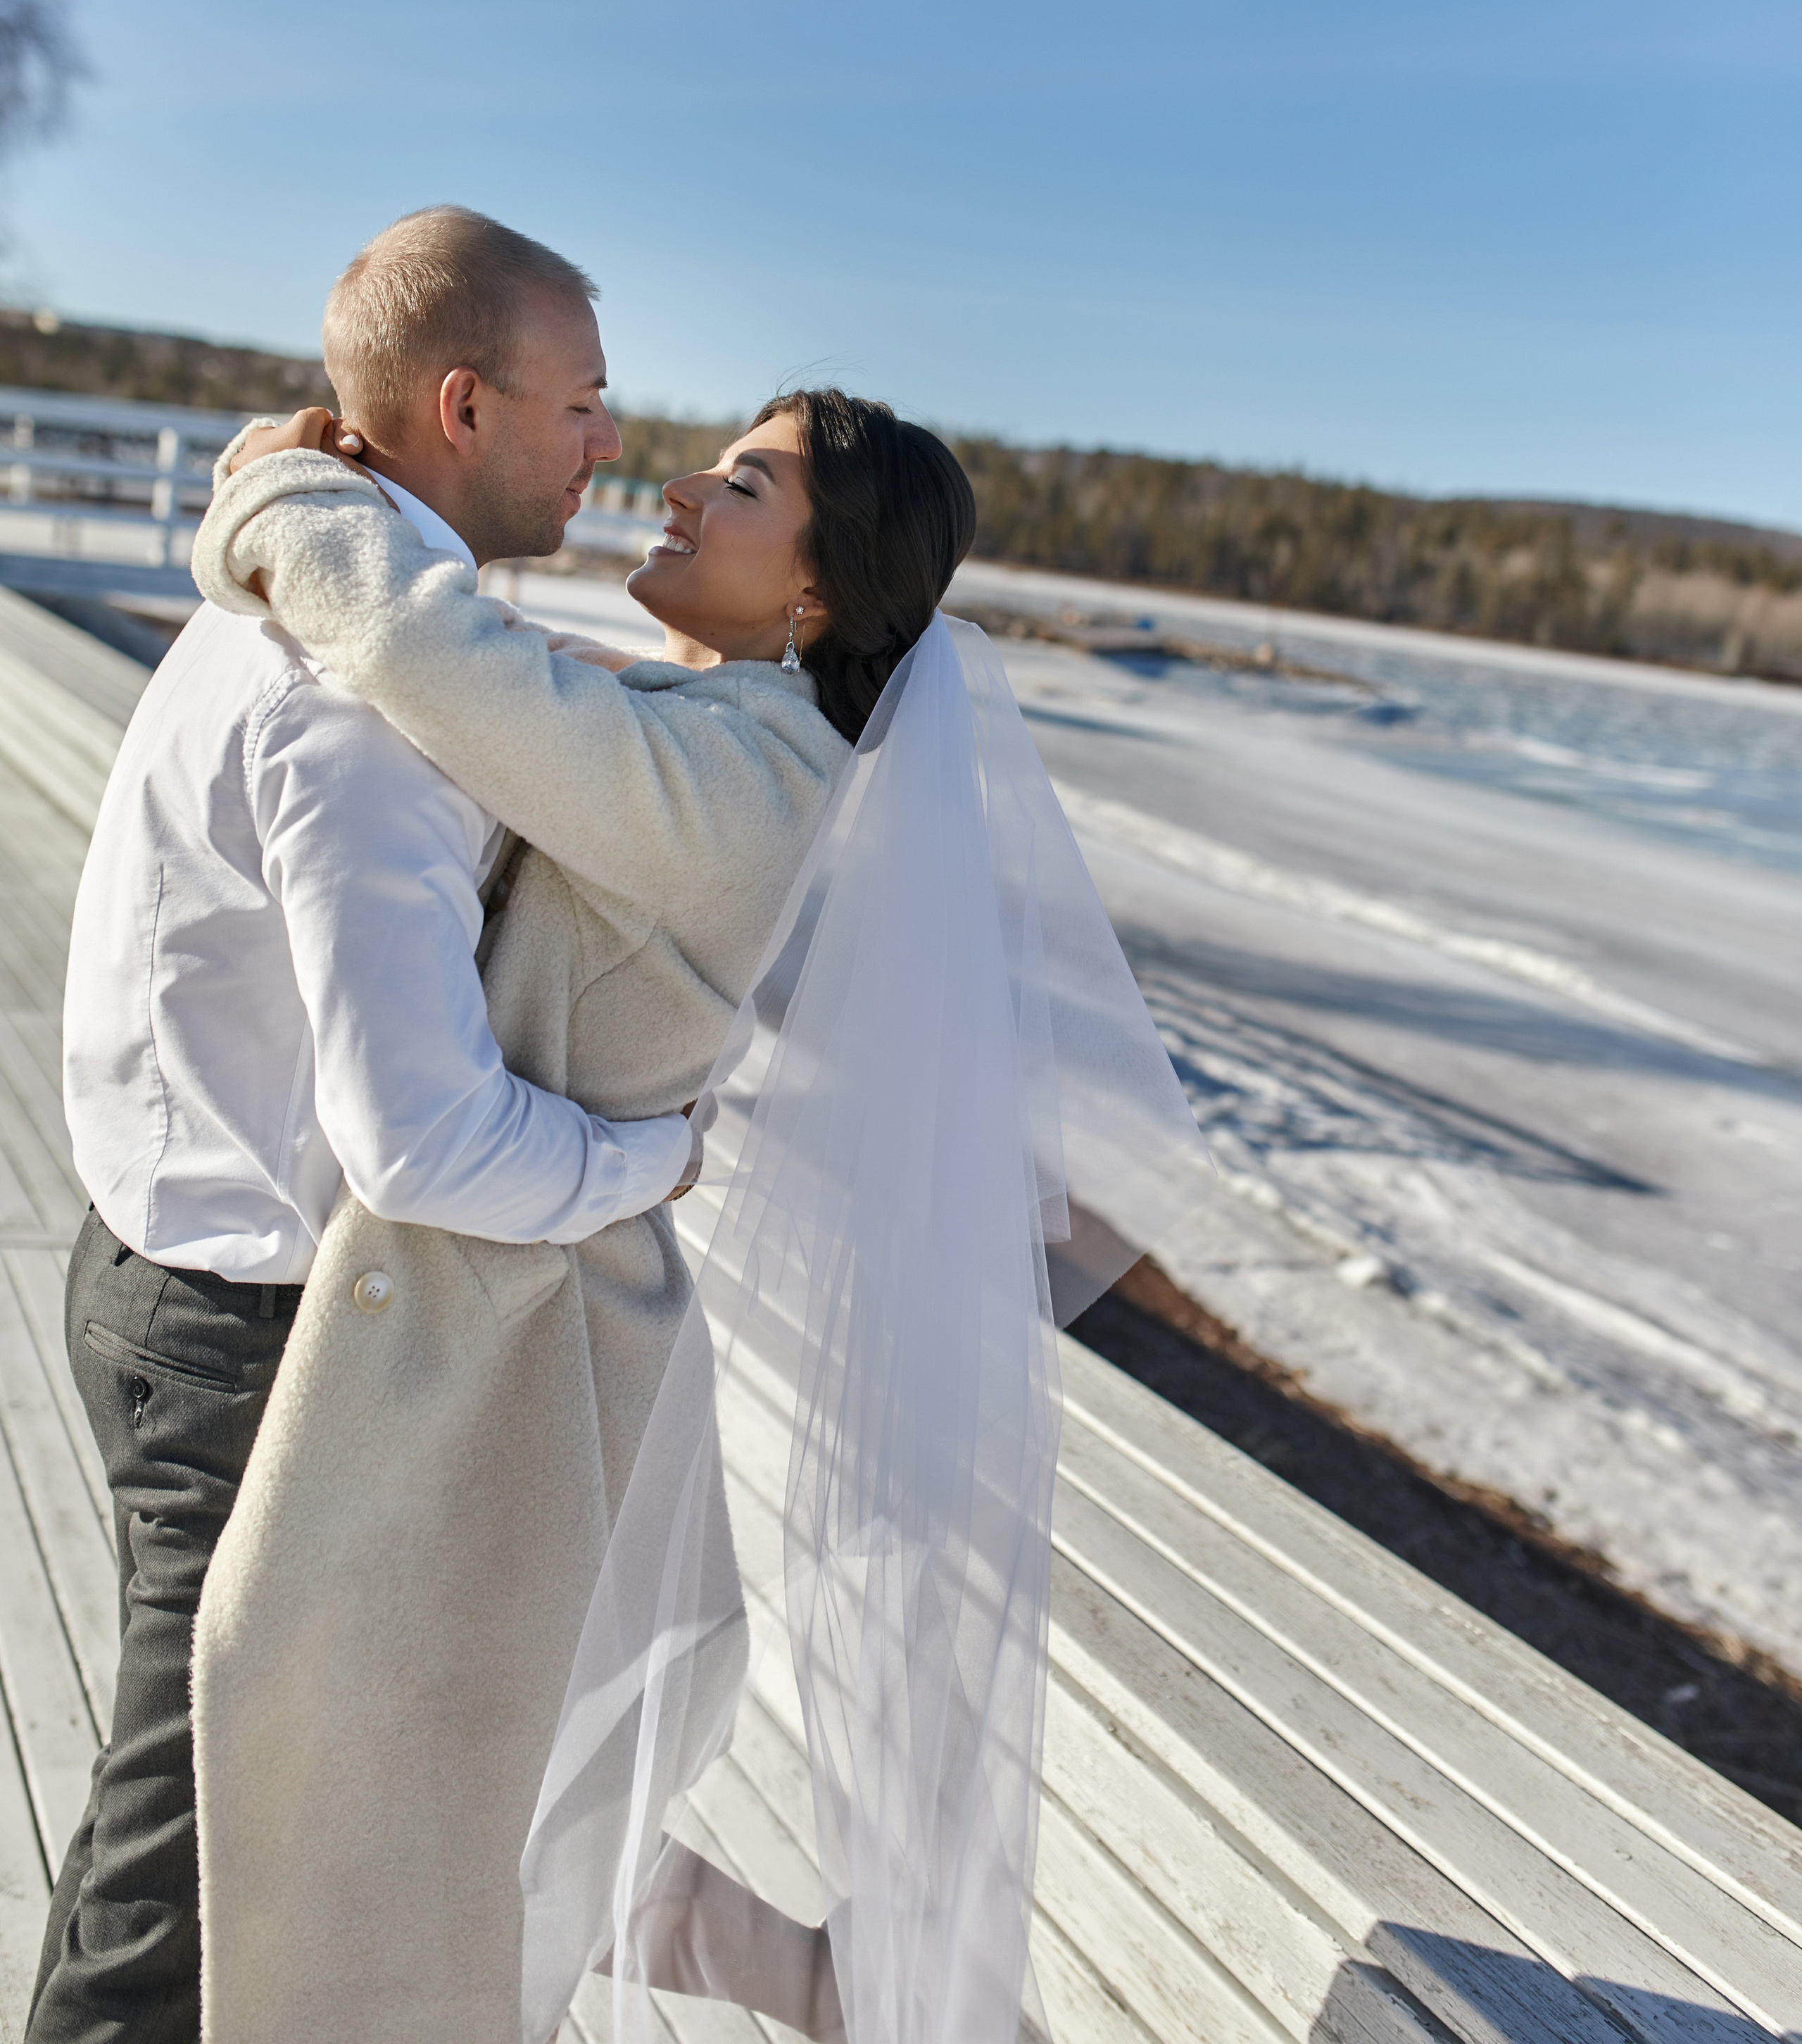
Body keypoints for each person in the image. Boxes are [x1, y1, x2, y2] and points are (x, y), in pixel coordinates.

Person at [189, 358, 1207, 2044]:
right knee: (445, 1792)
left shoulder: (747, 782)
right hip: (502, 1320)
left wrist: (282, 490)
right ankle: (819, 1983)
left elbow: (428, 655)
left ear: (812, 590)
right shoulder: (710, 735)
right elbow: (507, 690)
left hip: (506, 1352)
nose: (676, 487)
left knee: (372, 1777)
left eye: (742, 485)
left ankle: (831, 1986)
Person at [27, 208, 698, 2044]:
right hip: (239, 1334)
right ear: (464, 405)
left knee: (245, 1830)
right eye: (582, 407)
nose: (607, 451)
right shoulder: (363, 692)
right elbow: (414, 1141)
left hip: (176, 1269)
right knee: (185, 1874)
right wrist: (648, 1164)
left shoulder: (330, 586)